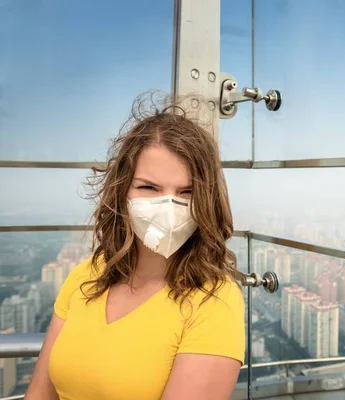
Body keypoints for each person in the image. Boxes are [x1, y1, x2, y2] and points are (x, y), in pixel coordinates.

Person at [25, 94, 246, 400]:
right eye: (149, 187)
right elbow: (39, 394)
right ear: (121, 191)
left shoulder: (215, 300)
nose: (169, 206)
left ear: (206, 201)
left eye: (186, 192)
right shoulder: (85, 276)